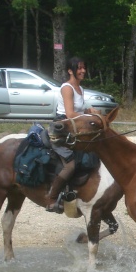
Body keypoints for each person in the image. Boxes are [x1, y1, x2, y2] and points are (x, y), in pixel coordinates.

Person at [46, 56, 90, 213]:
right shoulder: (67, 88)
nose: (83, 70)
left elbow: (78, 110)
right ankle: (51, 198)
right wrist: (88, 117)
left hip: (73, 128)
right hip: (62, 128)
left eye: (84, 67)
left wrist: (90, 111)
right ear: (70, 70)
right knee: (71, 164)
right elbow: (70, 113)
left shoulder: (80, 88)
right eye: (79, 68)